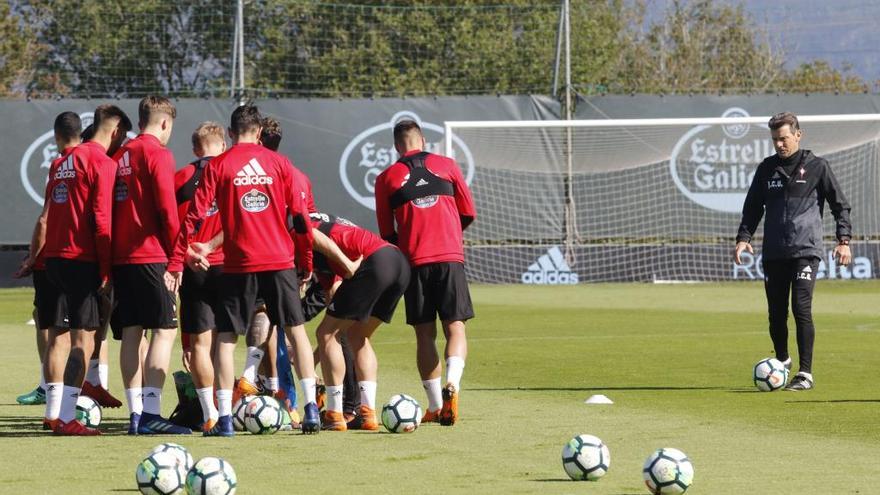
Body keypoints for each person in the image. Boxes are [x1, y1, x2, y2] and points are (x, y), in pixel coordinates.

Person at [170, 104, 320, 436]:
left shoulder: (220, 165)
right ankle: (310, 409)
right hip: (280, 260)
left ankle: (224, 419)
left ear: (233, 132)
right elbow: (300, 219)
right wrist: (306, 262)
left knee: (225, 339)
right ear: (259, 132)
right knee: (295, 332)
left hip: (238, 264)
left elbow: (194, 216)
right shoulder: (282, 165)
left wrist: (177, 258)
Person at [734, 111, 852, 391]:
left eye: (784, 138)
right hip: (774, 252)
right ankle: (783, 361)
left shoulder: (817, 167)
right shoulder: (766, 169)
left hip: (805, 250)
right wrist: (743, 238)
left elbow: (840, 205)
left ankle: (805, 374)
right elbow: (752, 207)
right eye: (775, 139)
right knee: (776, 313)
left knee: (801, 309)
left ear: (798, 135)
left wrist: (844, 240)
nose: (779, 144)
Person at [374, 119, 476, 426]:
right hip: (449, 258)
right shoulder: (447, 165)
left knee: (424, 334)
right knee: (455, 327)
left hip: (414, 262)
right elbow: (468, 212)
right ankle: (453, 385)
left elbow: (386, 232)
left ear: (396, 147)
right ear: (424, 141)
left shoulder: (386, 178)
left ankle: (434, 405)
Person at [41, 104, 130, 435]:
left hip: (55, 259)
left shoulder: (61, 162)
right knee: (84, 341)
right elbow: (101, 219)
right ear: (116, 130)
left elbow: (51, 212)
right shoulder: (101, 163)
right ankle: (66, 417)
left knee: (61, 337)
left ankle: (59, 410)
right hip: (81, 260)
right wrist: (106, 269)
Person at [111, 96, 190, 435]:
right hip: (151, 255)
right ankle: (152, 414)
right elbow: (167, 210)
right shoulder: (158, 153)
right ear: (164, 123)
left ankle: (136, 414)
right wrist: (178, 257)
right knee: (165, 330)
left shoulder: (119, 155)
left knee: (131, 333)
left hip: (121, 257)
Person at [309, 212, 410, 431]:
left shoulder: (297, 227)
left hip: (375, 261)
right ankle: (367, 414)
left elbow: (312, 234)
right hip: (399, 264)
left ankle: (334, 414)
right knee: (357, 335)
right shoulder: (326, 259)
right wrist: (311, 360)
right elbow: (335, 296)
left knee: (326, 333)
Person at [174, 121, 227, 431]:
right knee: (226, 344)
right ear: (222, 146)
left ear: (195, 149)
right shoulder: (231, 172)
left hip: (193, 266)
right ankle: (228, 408)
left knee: (200, 346)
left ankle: (210, 413)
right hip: (226, 266)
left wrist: (188, 255)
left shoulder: (181, 176)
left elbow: (171, 224)